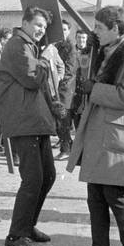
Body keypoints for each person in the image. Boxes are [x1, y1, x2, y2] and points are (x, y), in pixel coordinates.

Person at [68, 5, 124, 246]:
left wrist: (97, 89)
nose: (95, 32)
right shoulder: (105, 52)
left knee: (115, 195)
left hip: (117, 133)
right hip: (100, 131)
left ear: (116, 29)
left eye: (100, 28)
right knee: (95, 195)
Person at [0, 7, 58, 246]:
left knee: (48, 176)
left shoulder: (29, 46)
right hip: (24, 120)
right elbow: (32, 77)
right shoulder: (18, 45)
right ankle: (16, 235)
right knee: (33, 178)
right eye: (38, 24)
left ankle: (28, 225)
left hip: (35, 119)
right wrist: (45, 59)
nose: (41, 30)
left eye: (44, 27)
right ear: (24, 23)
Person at [55, 18, 78, 159]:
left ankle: (66, 149)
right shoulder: (57, 45)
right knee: (59, 120)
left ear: (69, 31)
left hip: (65, 89)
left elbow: (69, 71)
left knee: (63, 120)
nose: (62, 32)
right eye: (60, 29)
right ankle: (68, 147)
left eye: (64, 30)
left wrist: (57, 82)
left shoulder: (70, 48)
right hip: (58, 88)